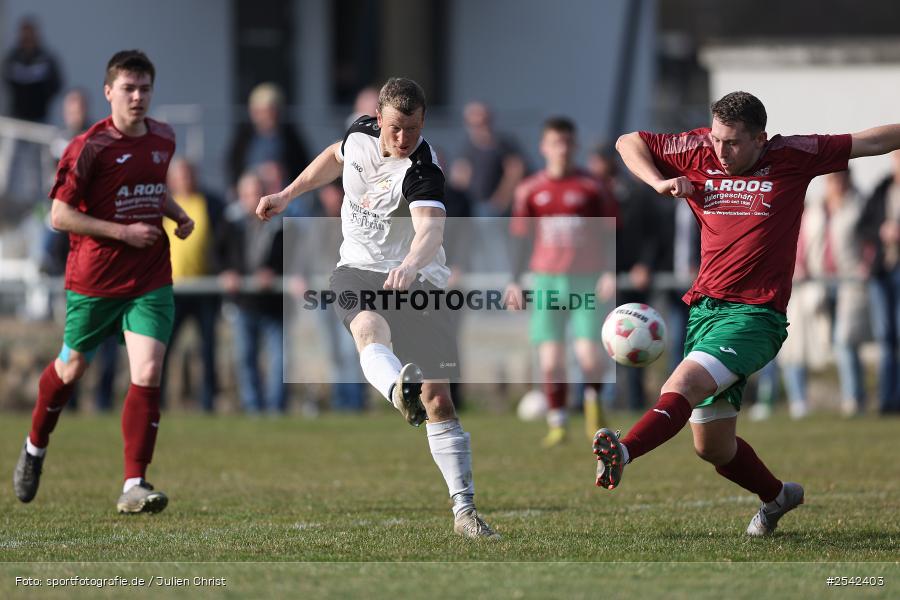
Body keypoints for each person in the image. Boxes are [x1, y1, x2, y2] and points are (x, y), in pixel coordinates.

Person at [599, 90, 900, 536]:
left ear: (761, 138)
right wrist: (658, 182)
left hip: (756, 317)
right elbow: (628, 142)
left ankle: (621, 452)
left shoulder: (794, 155)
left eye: (733, 142)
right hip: (705, 312)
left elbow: (869, 141)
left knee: (680, 383)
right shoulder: (697, 149)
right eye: (717, 139)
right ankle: (779, 497)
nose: (721, 151)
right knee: (713, 448)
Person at [256, 77, 498, 539]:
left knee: (440, 400)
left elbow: (430, 232)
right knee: (367, 328)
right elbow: (333, 157)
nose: (402, 138)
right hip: (357, 270)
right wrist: (287, 195)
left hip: (417, 280)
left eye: (411, 128)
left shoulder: (425, 169)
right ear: (378, 118)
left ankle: (464, 512)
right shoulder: (359, 132)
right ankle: (394, 391)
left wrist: (409, 265)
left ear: (422, 122)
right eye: (393, 128)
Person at [13, 50, 194, 514]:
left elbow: (151, 187)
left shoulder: (163, 137)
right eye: (128, 89)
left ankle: (134, 483)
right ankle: (35, 446)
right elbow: (59, 214)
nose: (137, 97)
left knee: (149, 371)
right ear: (109, 92)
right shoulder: (88, 147)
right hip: (94, 280)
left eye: (145, 89)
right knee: (71, 370)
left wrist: (175, 214)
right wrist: (122, 232)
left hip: (150, 274)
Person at [507, 118, 616, 448]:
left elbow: (610, 233)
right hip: (546, 282)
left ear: (575, 145)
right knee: (551, 361)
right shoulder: (530, 189)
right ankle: (558, 423)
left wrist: (609, 271)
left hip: (585, 280)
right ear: (544, 147)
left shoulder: (592, 187)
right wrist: (514, 281)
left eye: (568, 142)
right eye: (556, 143)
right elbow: (521, 240)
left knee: (589, 357)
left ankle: (593, 407)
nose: (562, 149)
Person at [220, 171, 286, 414]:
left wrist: (273, 271)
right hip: (243, 302)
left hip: (273, 302)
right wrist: (227, 272)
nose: (253, 198)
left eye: (257, 192)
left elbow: (292, 254)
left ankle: (276, 409)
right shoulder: (230, 221)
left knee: (278, 360)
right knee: (245, 357)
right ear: (240, 195)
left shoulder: (280, 221)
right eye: (248, 193)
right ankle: (252, 408)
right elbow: (218, 253)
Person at [162, 157, 224, 412]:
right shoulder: (161, 206)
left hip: (204, 289)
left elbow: (222, 242)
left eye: (189, 174)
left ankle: (208, 402)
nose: (185, 180)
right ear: (171, 179)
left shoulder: (211, 204)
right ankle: (156, 402)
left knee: (208, 348)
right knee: (163, 348)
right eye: (180, 175)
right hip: (172, 291)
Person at [858, 150, 900, 414]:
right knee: (885, 337)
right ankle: (886, 400)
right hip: (882, 273)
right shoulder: (882, 188)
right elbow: (863, 227)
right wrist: (882, 231)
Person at [226, 82, 310, 190]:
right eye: (260, 111)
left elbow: (303, 166)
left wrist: (281, 171)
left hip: (284, 194)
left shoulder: (290, 136)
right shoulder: (243, 136)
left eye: (270, 111)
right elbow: (233, 168)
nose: (266, 116)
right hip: (251, 196)